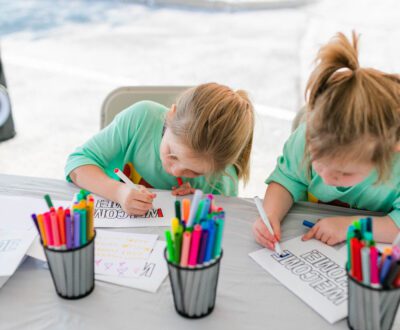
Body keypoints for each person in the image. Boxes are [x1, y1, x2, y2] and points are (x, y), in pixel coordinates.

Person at [253, 31, 400, 249]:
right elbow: (287, 180)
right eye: (318, 164)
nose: (328, 178)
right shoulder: (305, 140)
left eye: (345, 173)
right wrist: (271, 214)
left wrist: (351, 227)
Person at [65, 83, 254, 215]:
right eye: (172, 154)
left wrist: (198, 202)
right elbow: (77, 164)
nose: (175, 170)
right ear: (171, 115)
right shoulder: (141, 119)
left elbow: (223, 222)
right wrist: (118, 192)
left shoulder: (221, 177)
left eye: (194, 172)